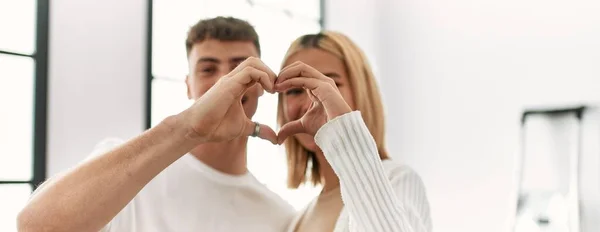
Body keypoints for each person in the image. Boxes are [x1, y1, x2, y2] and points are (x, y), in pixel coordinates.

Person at [17, 17, 296, 232]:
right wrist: (187, 128)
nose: (225, 82)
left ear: (262, 85)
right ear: (189, 86)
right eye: (208, 69)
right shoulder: (128, 167)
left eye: (239, 69)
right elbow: (35, 225)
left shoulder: (279, 215)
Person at [275, 31, 433, 232]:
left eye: (330, 85)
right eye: (295, 90)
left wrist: (344, 134)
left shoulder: (398, 180)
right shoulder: (296, 221)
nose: (310, 103)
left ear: (361, 92)